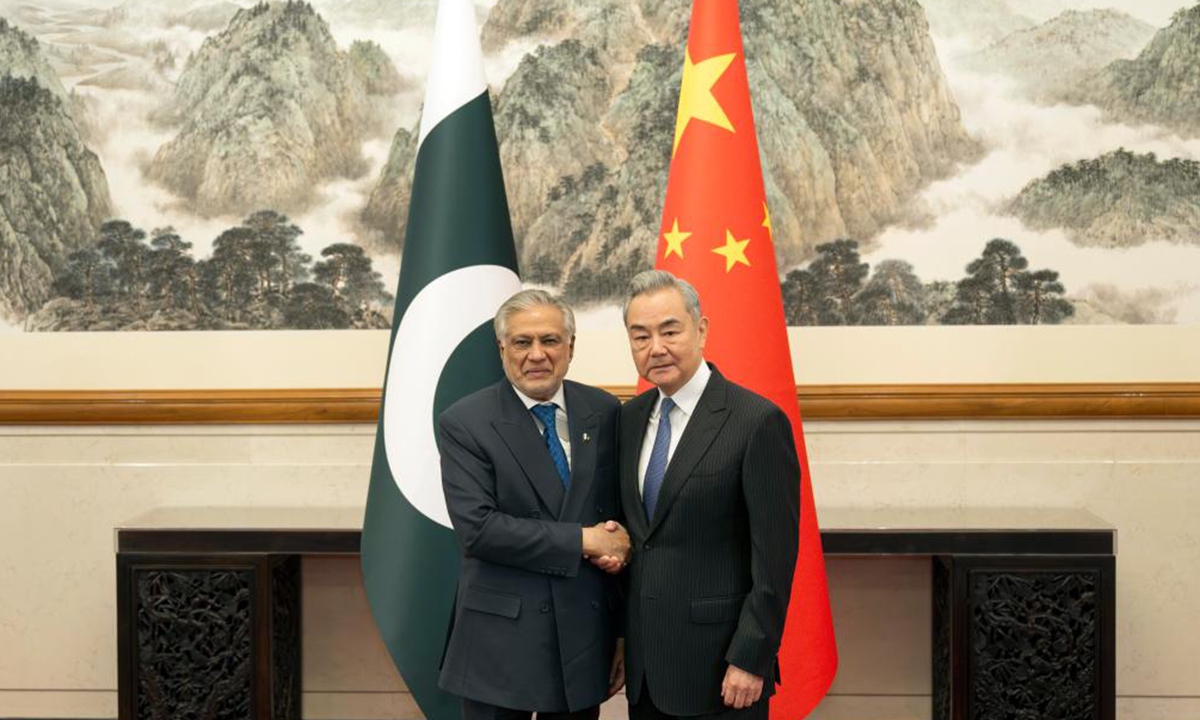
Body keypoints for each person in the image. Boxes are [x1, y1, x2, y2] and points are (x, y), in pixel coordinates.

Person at [437, 289, 631, 720]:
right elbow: (479, 530)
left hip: (584, 638)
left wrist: (621, 631)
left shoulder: (604, 411)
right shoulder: (466, 422)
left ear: (571, 347)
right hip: (500, 645)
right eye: (522, 342)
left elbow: (618, 518)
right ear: (502, 349)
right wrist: (584, 540)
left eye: (550, 340)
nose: (537, 354)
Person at [616, 270, 800, 720]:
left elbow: (775, 559)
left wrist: (751, 656)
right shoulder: (628, 419)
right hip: (646, 672)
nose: (656, 348)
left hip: (722, 671)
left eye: (670, 331)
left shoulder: (755, 421)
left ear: (701, 330)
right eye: (640, 336)